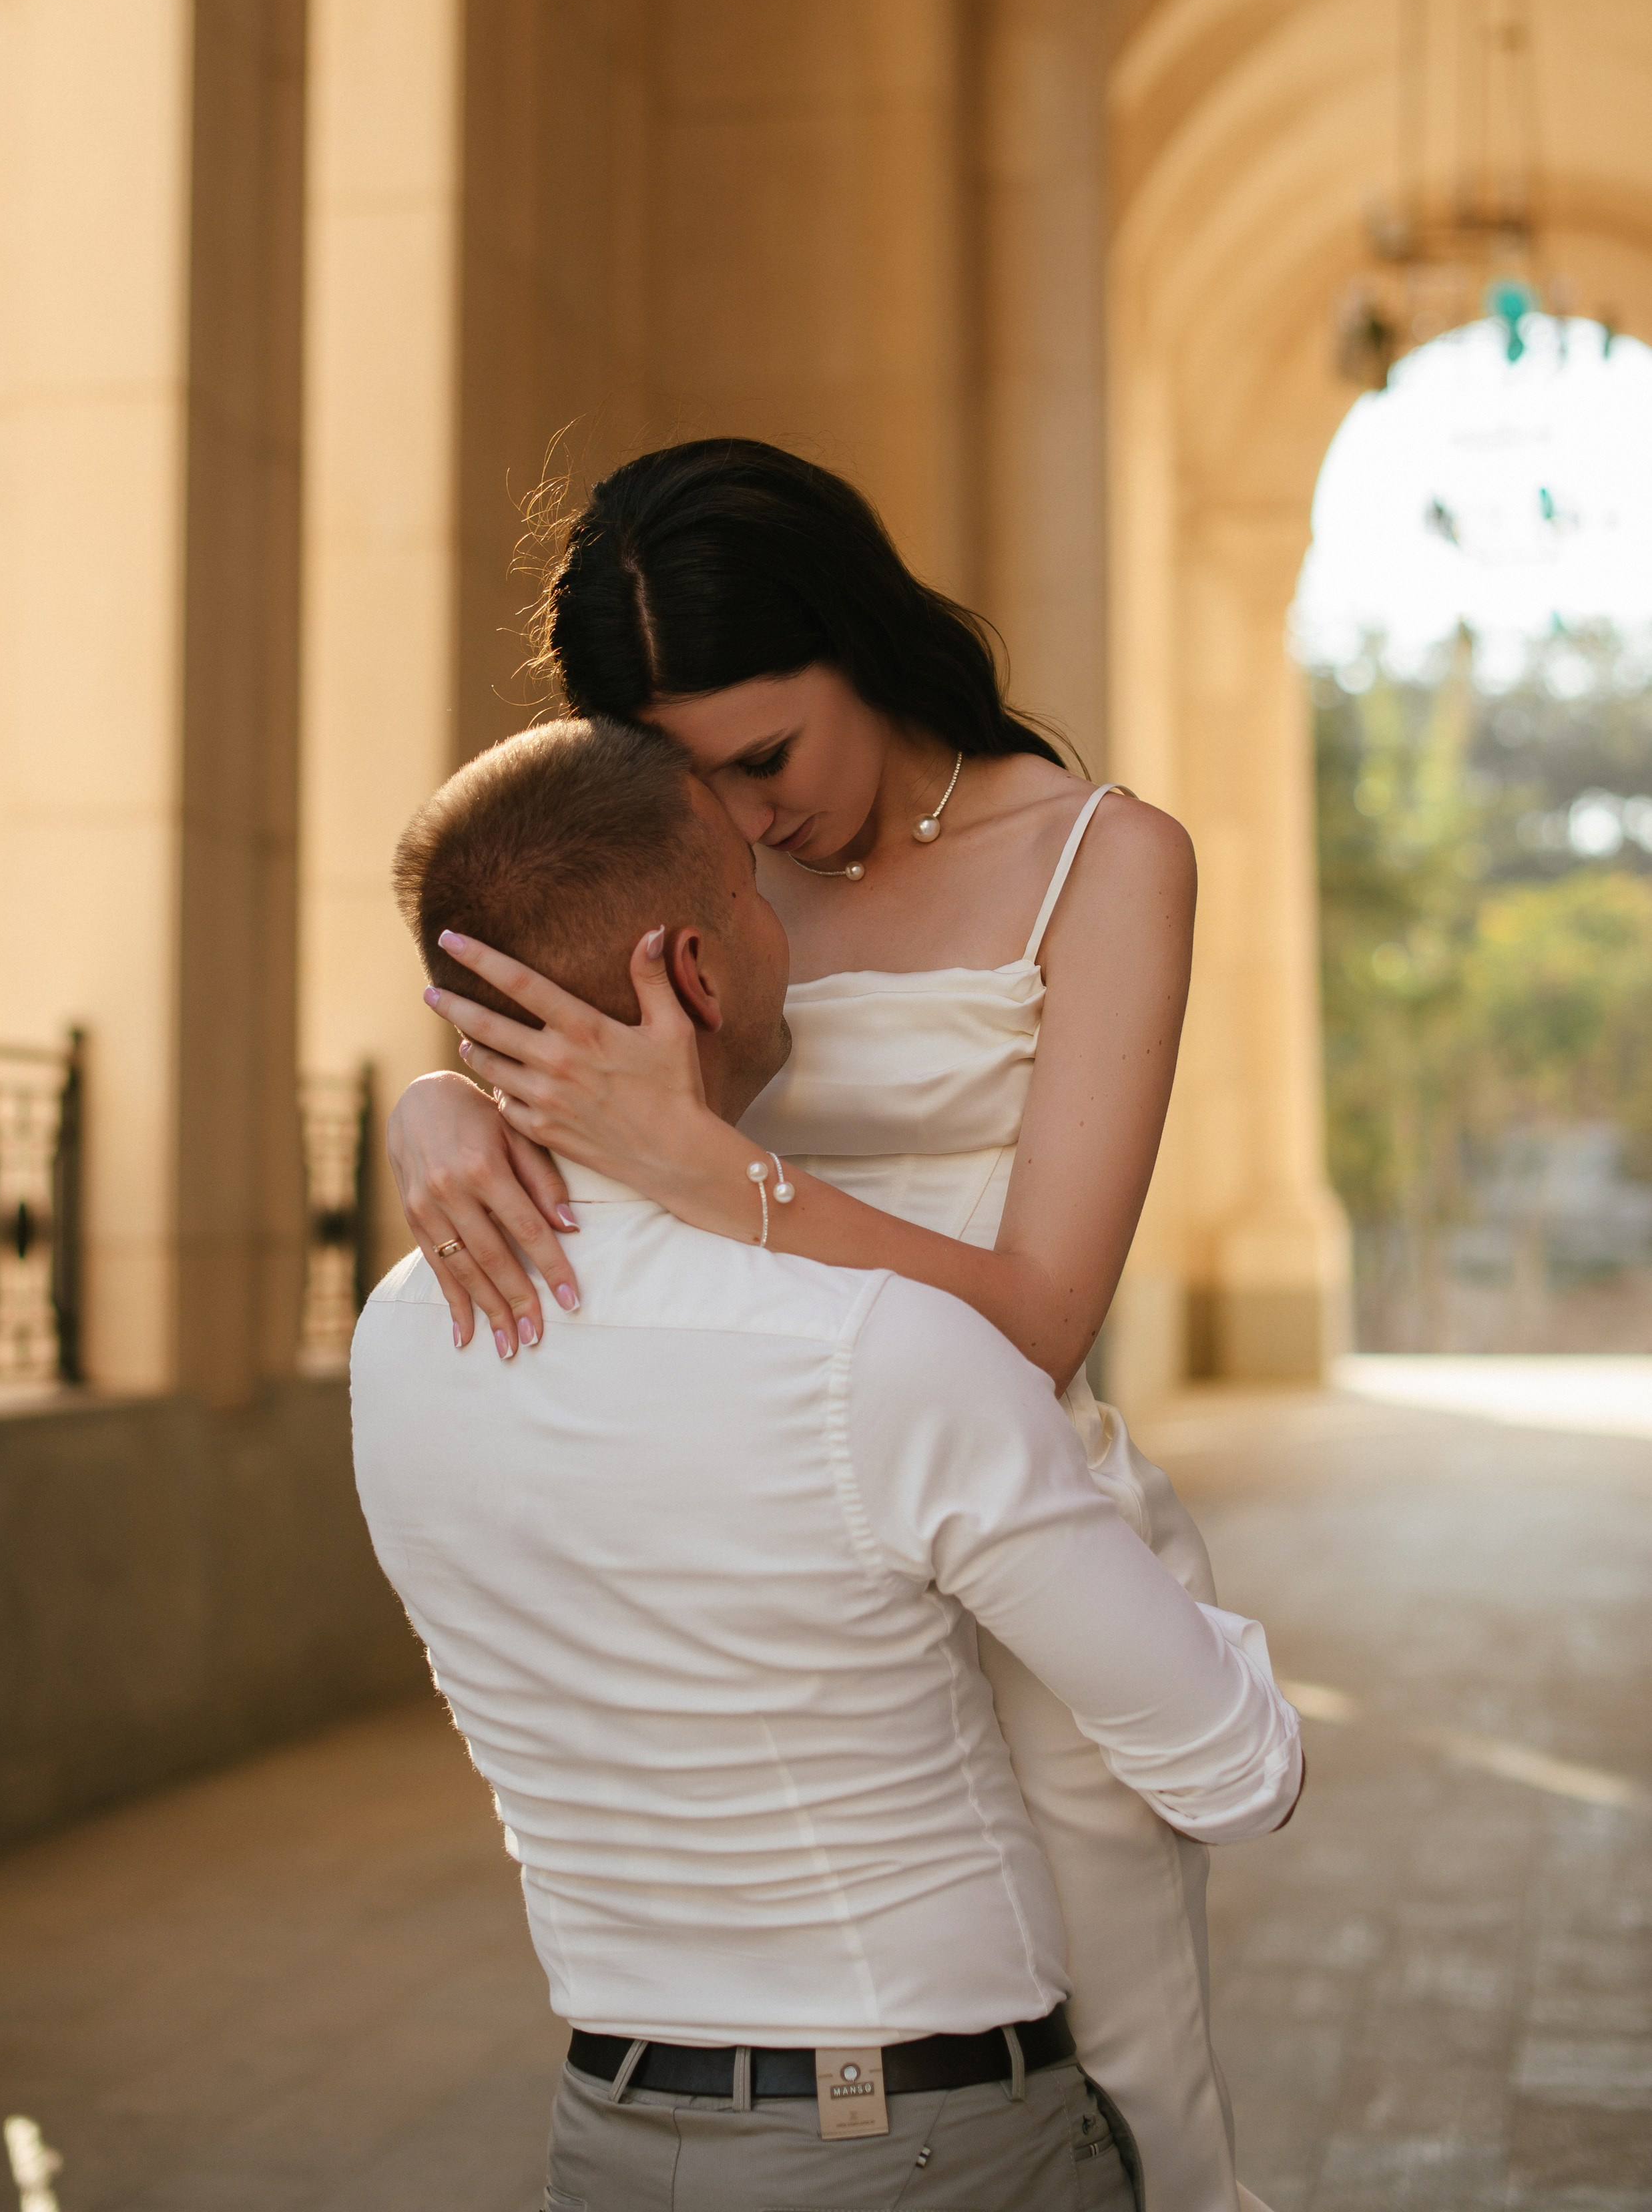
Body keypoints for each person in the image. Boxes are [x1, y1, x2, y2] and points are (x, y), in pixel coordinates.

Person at [384, 440, 1251, 2209]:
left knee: (1130, 2110)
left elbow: (1043, 1317)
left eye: (767, 756)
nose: (750, 823)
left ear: (856, 637)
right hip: (781, 1581)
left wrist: (713, 1175)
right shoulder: (708, 874)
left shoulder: (1106, 861)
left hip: (1033, 1566)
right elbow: (543, 1016)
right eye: (694, 785)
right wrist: (444, 1101)